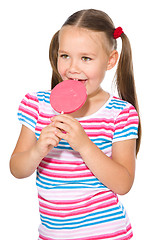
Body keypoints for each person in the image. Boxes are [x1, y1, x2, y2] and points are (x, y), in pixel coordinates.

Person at [10, 9, 141, 240]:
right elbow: (17, 168)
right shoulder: (37, 105)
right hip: (52, 235)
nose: (72, 68)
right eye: (65, 56)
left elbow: (123, 183)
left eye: (86, 58)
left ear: (110, 61)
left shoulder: (120, 113)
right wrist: (38, 150)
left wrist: (84, 145)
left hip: (107, 234)